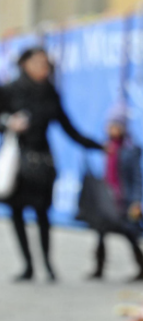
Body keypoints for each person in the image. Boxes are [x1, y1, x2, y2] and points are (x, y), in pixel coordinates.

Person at [0, 47, 103, 282]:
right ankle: (27, 265)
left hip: (43, 161)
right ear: (24, 64)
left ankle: (47, 264)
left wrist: (97, 145)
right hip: (17, 161)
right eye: (37, 63)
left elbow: (68, 127)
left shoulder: (49, 93)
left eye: (45, 64)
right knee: (17, 213)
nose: (42, 68)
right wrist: (8, 123)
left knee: (43, 213)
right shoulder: (9, 91)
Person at [88, 109, 143, 282]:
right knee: (101, 233)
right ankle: (99, 268)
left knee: (130, 235)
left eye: (116, 125)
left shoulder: (131, 149)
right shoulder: (108, 147)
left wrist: (137, 201)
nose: (111, 128)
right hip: (108, 198)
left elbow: (138, 178)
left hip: (124, 200)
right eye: (110, 124)